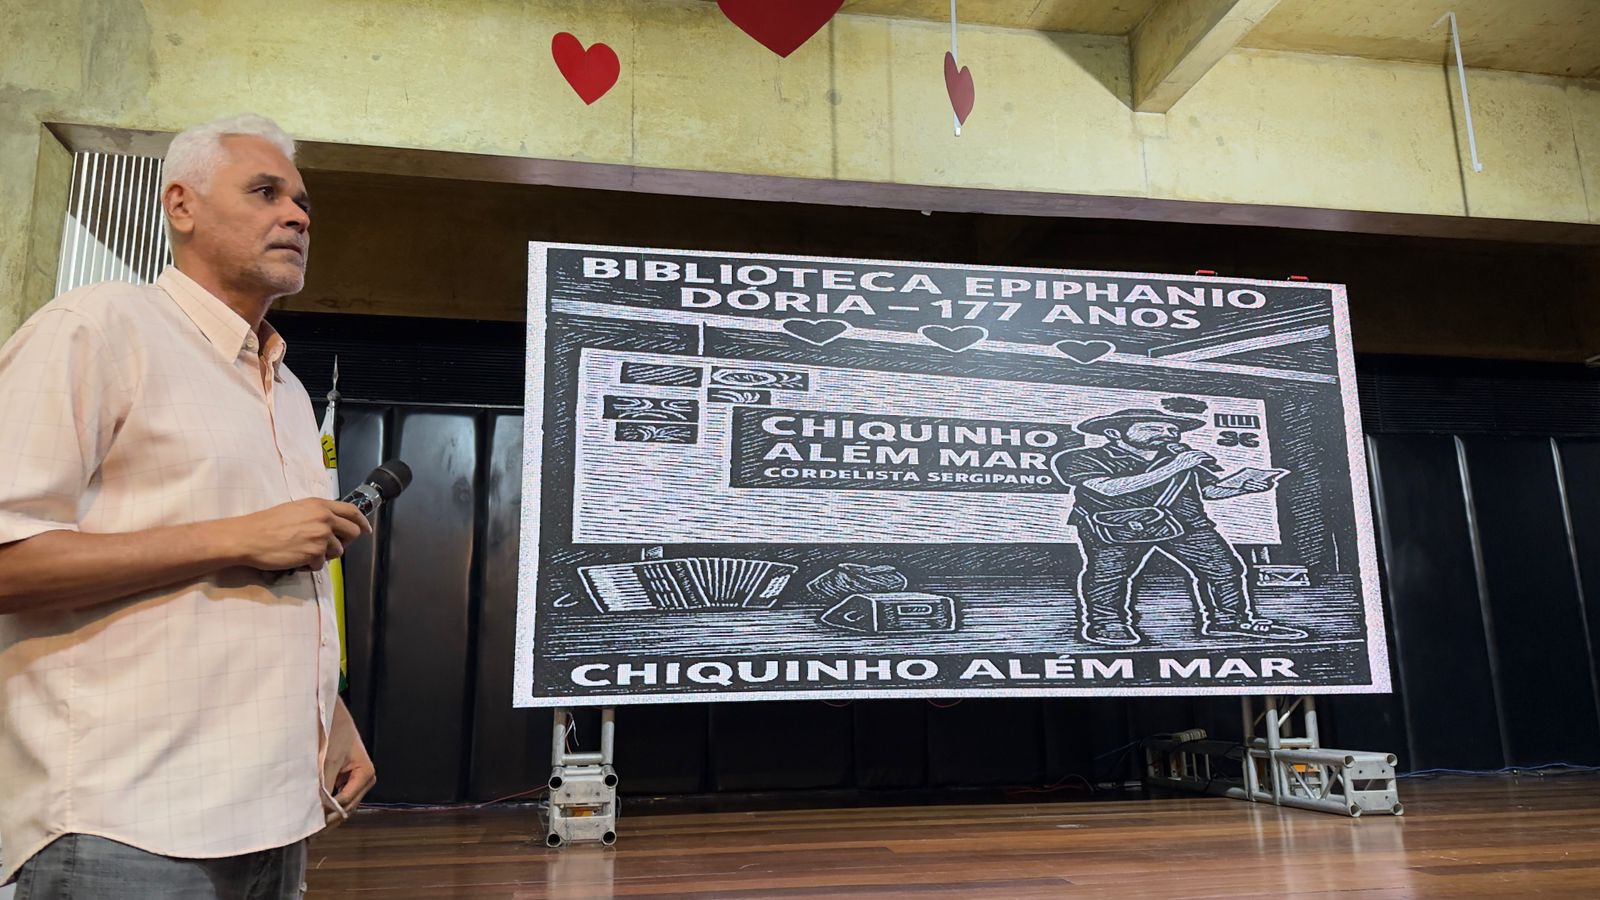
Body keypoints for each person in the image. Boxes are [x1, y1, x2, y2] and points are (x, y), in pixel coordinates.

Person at [0, 114, 375, 899]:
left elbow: (271, 580)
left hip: (276, 816)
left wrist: (328, 712)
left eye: (303, 202)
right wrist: (236, 538)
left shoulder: (288, 389)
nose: (297, 216)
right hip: (123, 824)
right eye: (266, 193)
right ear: (182, 206)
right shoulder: (97, 329)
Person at [1052, 408, 1308, 647]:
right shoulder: (1081, 457)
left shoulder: (1180, 457)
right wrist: (1177, 466)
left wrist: (1243, 487)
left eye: (1172, 430)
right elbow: (1108, 489)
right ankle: (1107, 624)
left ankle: (1229, 621)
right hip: (1118, 525)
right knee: (1109, 576)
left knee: (1225, 569)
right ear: (1113, 433)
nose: (1167, 434)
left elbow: (1209, 491)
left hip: (1186, 522)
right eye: (1153, 428)